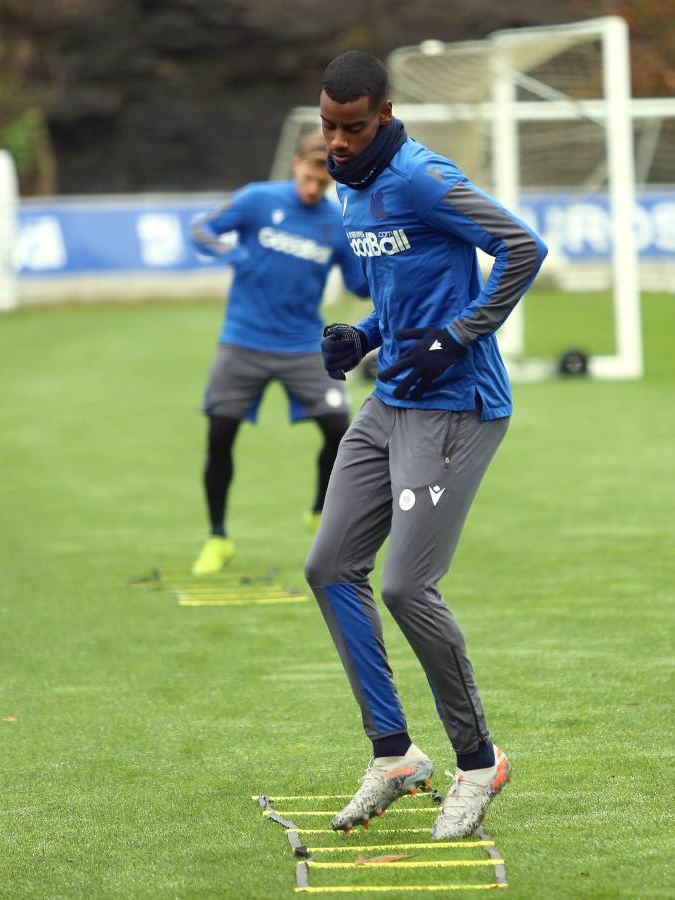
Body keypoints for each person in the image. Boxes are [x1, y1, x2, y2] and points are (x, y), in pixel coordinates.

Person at [303, 50, 547, 840]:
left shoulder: (419, 177)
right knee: (330, 566)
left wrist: (457, 336)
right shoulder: (358, 190)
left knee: (409, 586)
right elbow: (398, 298)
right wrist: (362, 336)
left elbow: (521, 247)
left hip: (458, 406)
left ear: (383, 113)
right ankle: (396, 754)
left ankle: (480, 762)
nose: (337, 142)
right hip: (390, 403)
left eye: (352, 126)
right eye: (328, 126)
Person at [186, 132, 369, 576]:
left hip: (303, 344)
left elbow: (359, 285)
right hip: (243, 340)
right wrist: (232, 251)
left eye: (321, 183)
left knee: (338, 431)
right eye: (308, 177)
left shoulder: (335, 222)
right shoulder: (256, 200)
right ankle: (217, 538)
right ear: (295, 165)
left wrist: (379, 261)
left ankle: (319, 510)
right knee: (220, 435)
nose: (312, 188)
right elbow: (200, 230)